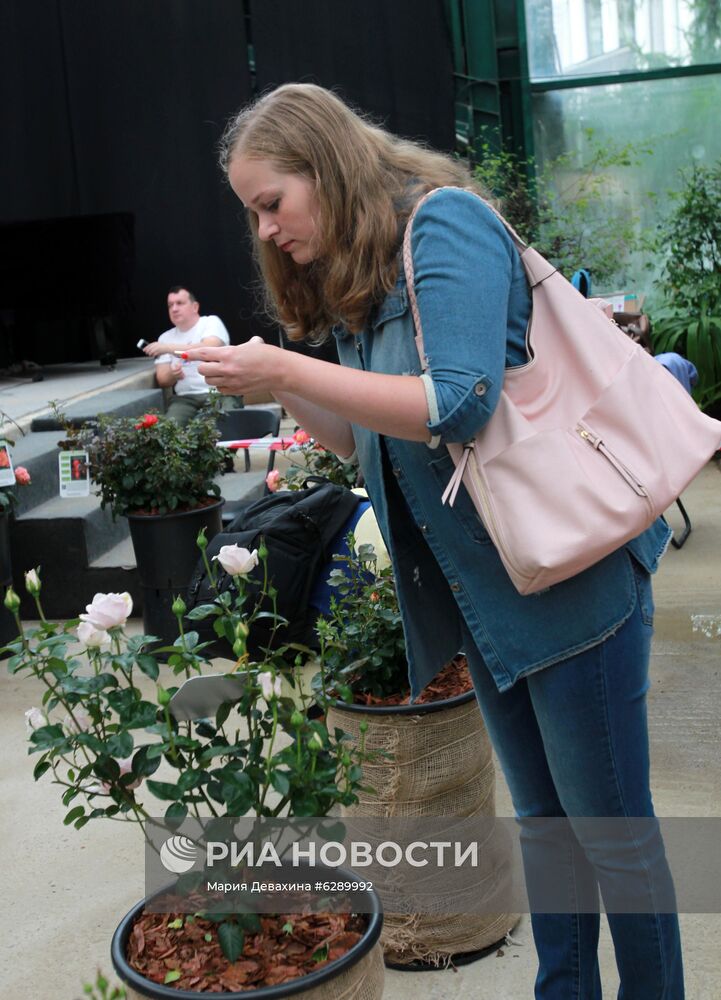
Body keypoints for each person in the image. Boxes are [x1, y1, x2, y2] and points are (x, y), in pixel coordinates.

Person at [184, 84, 684, 997]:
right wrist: (273, 385)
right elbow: (360, 439)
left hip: (568, 582)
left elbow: (458, 401)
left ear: (325, 167)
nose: (264, 231)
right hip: (487, 599)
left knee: (611, 833)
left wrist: (289, 363)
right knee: (543, 822)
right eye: (250, 213)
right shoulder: (360, 272)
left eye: (271, 203)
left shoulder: (444, 224)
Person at [142, 286, 241, 424]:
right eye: (170, 305)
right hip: (185, 398)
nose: (174, 309)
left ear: (195, 307)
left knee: (225, 428)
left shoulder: (210, 322)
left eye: (179, 303)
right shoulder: (165, 337)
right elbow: (163, 379)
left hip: (219, 392)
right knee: (169, 432)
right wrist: (173, 374)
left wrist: (167, 348)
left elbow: (208, 347)